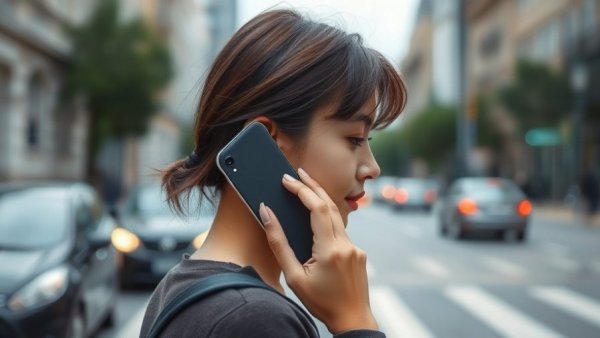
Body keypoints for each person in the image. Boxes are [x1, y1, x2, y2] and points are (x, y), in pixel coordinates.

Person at [140, 9, 406, 337]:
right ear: (268, 140)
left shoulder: (182, 285)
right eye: (354, 139)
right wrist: (355, 321)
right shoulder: (253, 318)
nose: (373, 168)